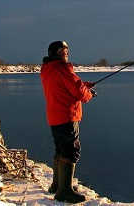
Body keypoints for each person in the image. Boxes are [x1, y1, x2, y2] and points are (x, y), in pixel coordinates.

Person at [40, 40, 96, 203]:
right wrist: (89, 93)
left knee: (61, 150)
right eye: (62, 51)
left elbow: (67, 86)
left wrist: (85, 85)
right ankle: (64, 191)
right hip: (67, 116)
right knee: (71, 151)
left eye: (66, 51)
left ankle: (57, 185)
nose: (66, 53)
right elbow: (79, 93)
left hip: (55, 116)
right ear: (54, 53)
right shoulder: (63, 69)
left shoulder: (48, 69)